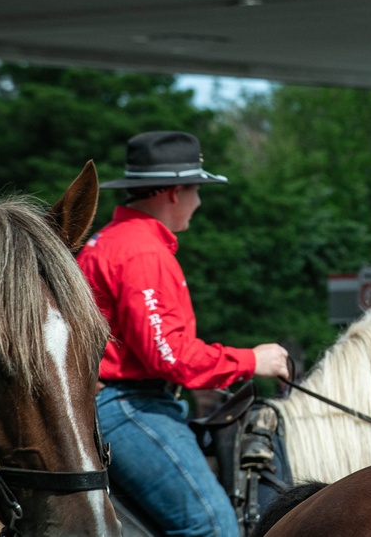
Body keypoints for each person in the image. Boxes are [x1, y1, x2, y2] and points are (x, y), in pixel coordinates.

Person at [77, 130, 289, 537]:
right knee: (213, 527)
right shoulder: (141, 252)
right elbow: (168, 356)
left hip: (113, 402)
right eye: (196, 189)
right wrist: (253, 361)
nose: (199, 201)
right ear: (174, 193)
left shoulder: (108, 241)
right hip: (127, 406)